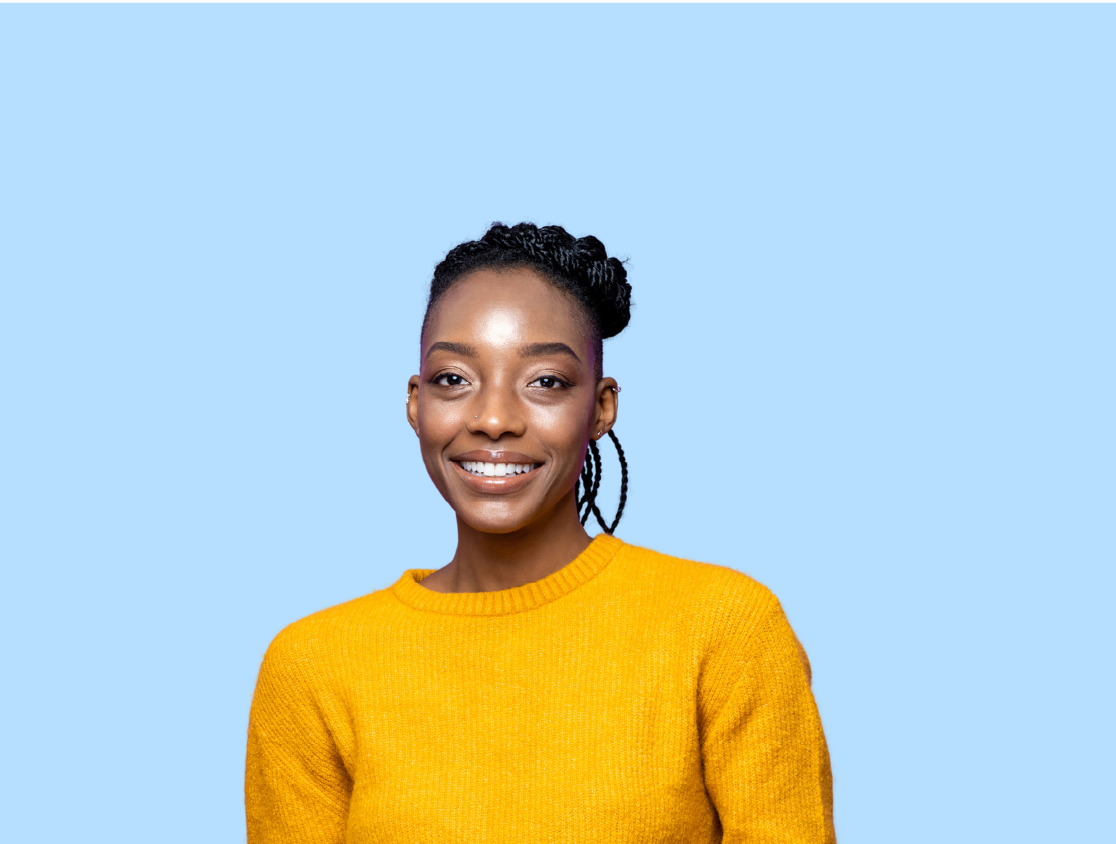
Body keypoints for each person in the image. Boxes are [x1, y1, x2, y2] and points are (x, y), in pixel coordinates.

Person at [244, 222, 836, 843]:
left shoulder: (724, 630)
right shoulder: (313, 666)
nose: (494, 419)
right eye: (454, 379)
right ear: (415, 403)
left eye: (545, 382)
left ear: (601, 407)